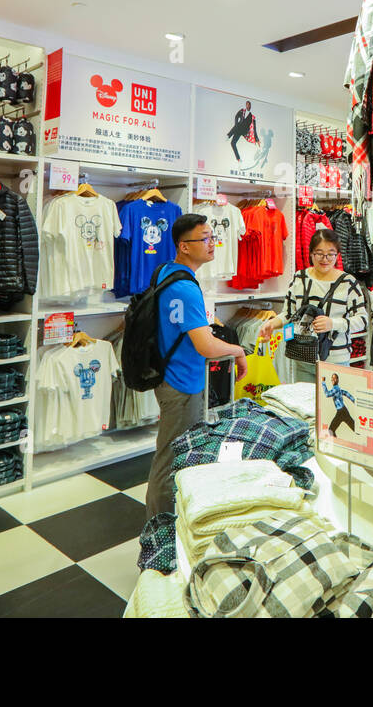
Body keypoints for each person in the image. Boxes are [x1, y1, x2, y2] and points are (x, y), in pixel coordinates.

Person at [145, 213, 247, 517]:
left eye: (212, 237)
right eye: (204, 238)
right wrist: (237, 350)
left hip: (169, 376)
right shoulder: (186, 287)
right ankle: (161, 530)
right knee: (172, 457)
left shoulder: (166, 272)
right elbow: (205, 345)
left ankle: (173, 518)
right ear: (184, 246)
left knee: (176, 451)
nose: (212, 243)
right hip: (181, 382)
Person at [259, 229, 368, 383]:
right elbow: (289, 313)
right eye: (319, 253)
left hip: (335, 361)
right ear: (311, 253)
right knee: (303, 404)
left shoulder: (348, 283)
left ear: (337, 255)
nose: (325, 259)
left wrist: (333, 323)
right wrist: (271, 323)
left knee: (332, 405)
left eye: (331, 254)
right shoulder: (300, 278)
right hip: (302, 357)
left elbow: (362, 320)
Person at [322, 373, 357, 437]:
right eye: (332, 378)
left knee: (331, 430)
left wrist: (323, 382)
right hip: (343, 411)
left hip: (341, 411)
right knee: (355, 428)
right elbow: (345, 393)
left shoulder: (335, 389)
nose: (333, 379)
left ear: (338, 380)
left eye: (335, 378)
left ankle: (335, 443)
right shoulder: (338, 389)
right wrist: (355, 401)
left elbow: (327, 394)